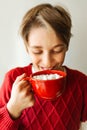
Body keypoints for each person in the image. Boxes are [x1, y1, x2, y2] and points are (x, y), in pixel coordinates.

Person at [0, 3, 87, 130]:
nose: (47, 63)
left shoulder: (81, 83)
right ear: (27, 48)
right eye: (37, 51)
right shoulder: (13, 80)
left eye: (57, 50)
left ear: (66, 46)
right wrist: (13, 109)